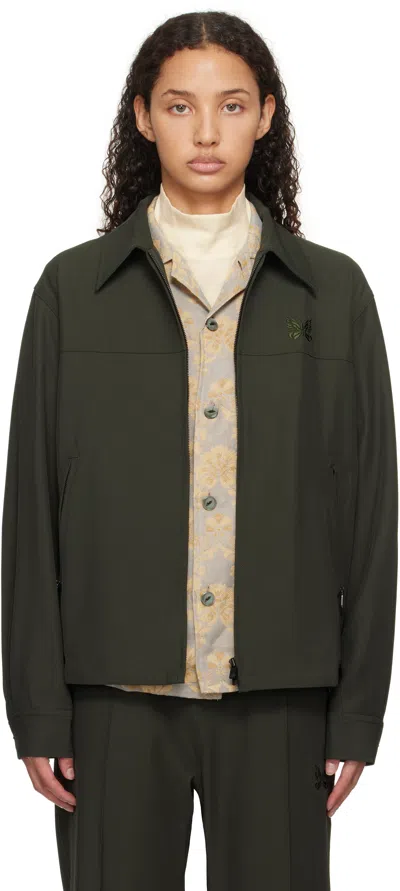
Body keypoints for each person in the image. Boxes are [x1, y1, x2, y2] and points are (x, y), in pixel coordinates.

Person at [1, 10, 398, 891]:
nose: (207, 132)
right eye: (180, 106)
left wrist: (357, 712)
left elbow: (373, 516)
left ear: (267, 115)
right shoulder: (72, 291)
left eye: (232, 105)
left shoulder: (335, 294)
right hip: (111, 701)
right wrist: (37, 710)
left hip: (283, 701)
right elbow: (29, 509)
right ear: (143, 117)